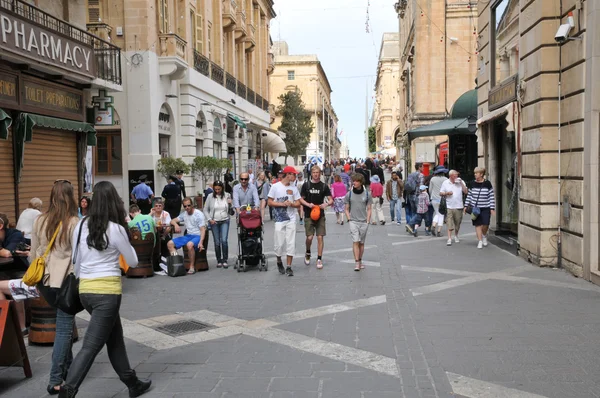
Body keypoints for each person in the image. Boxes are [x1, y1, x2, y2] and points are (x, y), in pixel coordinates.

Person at [61, 181, 150, 398]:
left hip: (85, 292)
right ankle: (67, 391)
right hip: (107, 293)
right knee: (91, 346)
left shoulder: (81, 225)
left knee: (114, 338)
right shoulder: (116, 228)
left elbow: (76, 260)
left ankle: (132, 383)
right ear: (113, 202)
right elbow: (133, 261)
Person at [30, 180, 79, 395]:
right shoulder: (75, 222)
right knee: (63, 329)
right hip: (65, 281)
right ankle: (55, 379)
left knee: (64, 324)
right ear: (70, 197)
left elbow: (33, 253)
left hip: (44, 281)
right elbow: (78, 257)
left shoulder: (39, 220)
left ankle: (67, 368)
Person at [267, 166, 301, 276]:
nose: (295, 176)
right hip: (279, 219)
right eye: (293, 174)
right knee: (279, 243)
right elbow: (270, 202)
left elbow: (298, 203)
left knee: (291, 243)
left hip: (291, 219)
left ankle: (289, 266)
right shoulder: (275, 187)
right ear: (288, 174)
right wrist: (282, 204)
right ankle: (278, 260)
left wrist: (291, 204)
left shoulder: (294, 188)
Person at [299, 165, 333, 269]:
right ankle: (308, 251)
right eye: (314, 173)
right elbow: (301, 199)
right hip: (309, 214)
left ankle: (319, 258)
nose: (316, 174)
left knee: (320, 237)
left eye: (317, 172)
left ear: (320, 173)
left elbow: (331, 200)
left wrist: (326, 204)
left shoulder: (323, 186)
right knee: (309, 237)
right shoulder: (306, 185)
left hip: (320, 214)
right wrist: (308, 204)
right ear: (311, 174)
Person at [167, 197, 207, 275]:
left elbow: (203, 229)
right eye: (185, 206)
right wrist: (176, 225)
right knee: (170, 243)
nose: (187, 208)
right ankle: (177, 264)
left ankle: (191, 266)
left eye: (189, 205)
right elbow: (172, 220)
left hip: (197, 235)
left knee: (189, 245)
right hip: (188, 235)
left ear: (192, 205)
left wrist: (201, 242)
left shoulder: (198, 214)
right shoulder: (184, 214)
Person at [344, 173, 372, 272]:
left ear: (360, 182)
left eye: (356, 181)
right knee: (355, 241)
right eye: (353, 181)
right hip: (353, 222)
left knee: (361, 243)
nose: (354, 183)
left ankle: (360, 260)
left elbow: (369, 208)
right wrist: (349, 219)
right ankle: (356, 262)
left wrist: (368, 220)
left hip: (364, 222)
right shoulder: (349, 194)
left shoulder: (367, 194)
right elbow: (346, 208)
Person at [465, 167, 496, 249]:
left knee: (486, 224)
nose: (475, 174)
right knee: (478, 225)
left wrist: (492, 208)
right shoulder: (472, 183)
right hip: (475, 208)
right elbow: (469, 195)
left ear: (481, 174)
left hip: (485, 207)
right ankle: (480, 241)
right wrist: (466, 206)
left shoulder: (487, 184)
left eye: (476, 173)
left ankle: (484, 235)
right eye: (474, 173)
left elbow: (491, 196)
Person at [203, 181, 232, 268]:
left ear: (222, 188)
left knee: (224, 240)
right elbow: (205, 209)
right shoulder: (210, 196)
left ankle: (225, 259)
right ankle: (219, 260)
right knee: (217, 242)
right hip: (214, 221)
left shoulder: (227, 195)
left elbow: (231, 210)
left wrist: (230, 203)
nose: (217, 191)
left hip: (225, 220)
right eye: (215, 189)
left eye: (219, 189)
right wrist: (209, 219)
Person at [439, 170, 468, 246]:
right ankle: (449, 238)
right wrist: (446, 193)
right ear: (451, 176)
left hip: (459, 206)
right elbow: (441, 193)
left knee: (457, 223)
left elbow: (466, 192)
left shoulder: (460, 182)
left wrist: (461, 183)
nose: (457, 176)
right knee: (449, 222)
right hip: (449, 206)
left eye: (457, 175)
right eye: (455, 175)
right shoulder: (445, 183)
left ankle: (456, 235)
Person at [404, 163, 425, 233]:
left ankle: (412, 228)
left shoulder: (410, 174)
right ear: (419, 167)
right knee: (419, 212)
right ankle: (410, 224)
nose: (423, 168)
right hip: (417, 195)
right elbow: (421, 187)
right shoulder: (421, 175)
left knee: (413, 211)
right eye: (422, 167)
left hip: (410, 195)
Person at [429, 166, 448, 237]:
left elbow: (430, 190)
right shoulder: (445, 179)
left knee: (437, 213)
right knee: (441, 215)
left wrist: (432, 196)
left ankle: (433, 225)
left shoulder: (432, 179)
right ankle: (439, 231)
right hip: (442, 199)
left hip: (434, 199)